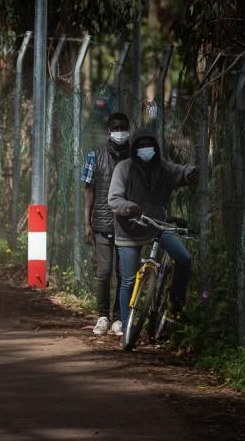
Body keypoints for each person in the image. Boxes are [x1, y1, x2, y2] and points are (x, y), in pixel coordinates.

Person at [107, 127, 198, 331]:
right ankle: (125, 325)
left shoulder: (162, 167)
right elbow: (113, 198)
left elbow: (180, 172)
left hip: (157, 224)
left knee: (184, 258)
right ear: (134, 149)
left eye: (149, 145)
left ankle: (175, 304)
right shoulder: (124, 168)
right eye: (140, 146)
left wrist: (191, 173)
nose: (145, 149)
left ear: (156, 148)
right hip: (130, 229)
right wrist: (128, 207)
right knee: (128, 280)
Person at [80, 112, 130, 336]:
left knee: (124, 273)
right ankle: (102, 316)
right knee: (105, 271)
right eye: (116, 127)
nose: (120, 131)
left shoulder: (134, 158)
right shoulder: (95, 156)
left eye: (123, 127)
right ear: (109, 130)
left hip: (128, 224)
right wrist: (87, 223)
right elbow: (89, 191)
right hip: (102, 222)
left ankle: (119, 318)